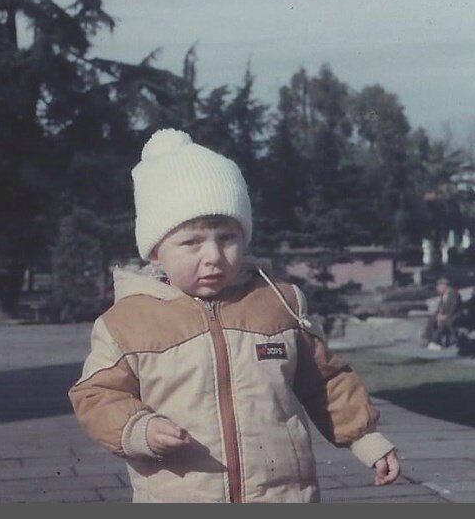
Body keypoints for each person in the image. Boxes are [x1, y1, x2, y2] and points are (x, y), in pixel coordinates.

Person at [68, 129, 400, 502]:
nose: (213, 255)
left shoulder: (278, 303)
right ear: (156, 252)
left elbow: (325, 380)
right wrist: (138, 428)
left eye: (227, 237)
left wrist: (366, 438)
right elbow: (97, 395)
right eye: (192, 242)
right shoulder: (128, 322)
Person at [422, 277, 459, 351]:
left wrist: (445, 316)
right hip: (445, 315)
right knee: (432, 319)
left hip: (453, 316)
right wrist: (437, 315)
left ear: (444, 286)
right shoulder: (443, 295)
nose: (438, 288)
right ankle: (427, 338)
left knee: (444, 322)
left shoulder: (454, 294)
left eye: (439, 286)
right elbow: (440, 308)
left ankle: (434, 341)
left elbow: (454, 309)